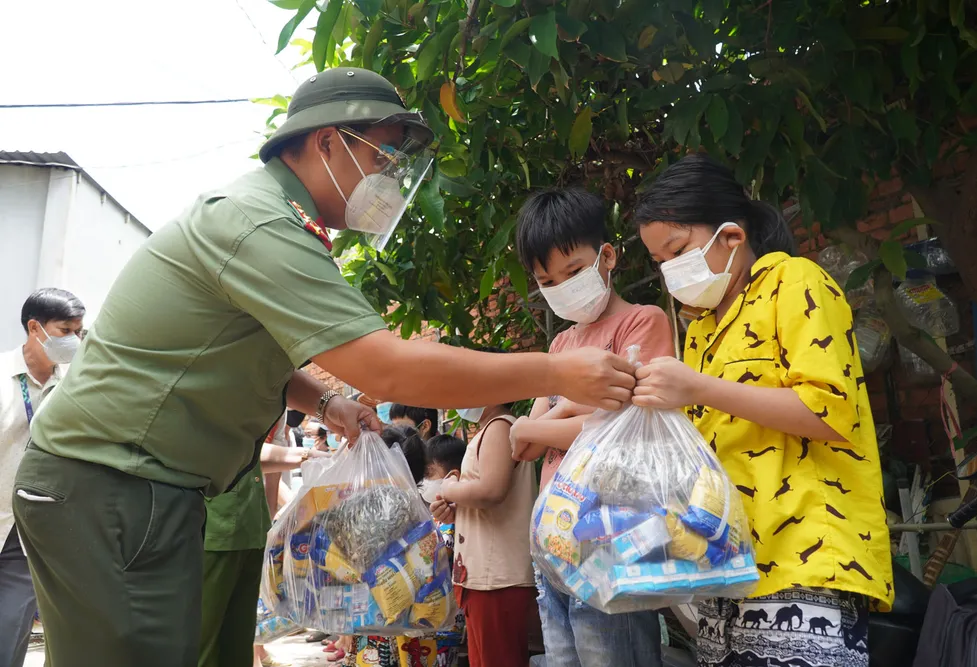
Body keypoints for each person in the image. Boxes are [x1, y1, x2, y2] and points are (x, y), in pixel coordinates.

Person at [11, 67, 635, 667]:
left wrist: (326, 404)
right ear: (329, 143)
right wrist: (553, 373)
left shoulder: (280, 224)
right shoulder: (256, 221)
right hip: (109, 480)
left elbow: (239, 354)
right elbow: (387, 367)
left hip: (143, 483)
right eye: (383, 157)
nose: (389, 179)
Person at [630, 154, 892, 667]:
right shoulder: (701, 325)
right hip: (725, 570)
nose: (668, 272)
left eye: (677, 251)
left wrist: (698, 387)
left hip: (805, 561)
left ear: (731, 236)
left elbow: (829, 412)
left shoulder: (795, 282)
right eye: (658, 262)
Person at [509, 188, 673, 667]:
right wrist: (574, 414)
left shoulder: (643, 322)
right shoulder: (560, 343)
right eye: (547, 280)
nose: (561, 286)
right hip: (553, 542)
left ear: (607, 255)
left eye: (573, 271)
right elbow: (521, 447)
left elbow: (624, 431)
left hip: (612, 538)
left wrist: (545, 420)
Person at [430, 362, 537, 667]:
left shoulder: (500, 426)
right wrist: (455, 512)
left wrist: (449, 487)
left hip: (497, 579)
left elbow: (491, 491)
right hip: (484, 577)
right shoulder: (490, 430)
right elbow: (486, 496)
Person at [199, 414, 327, 667]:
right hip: (217, 528)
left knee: (238, 636)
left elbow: (255, 460)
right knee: (206, 637)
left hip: (249, 526)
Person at [0, 289, 84, 667]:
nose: (74, 341)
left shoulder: (75, 385)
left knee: (9, 632)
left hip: (29, 529)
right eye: (66, 330)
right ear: (35, 328)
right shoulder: (3, 378)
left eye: (80, 332)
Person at [342, 425, 427, 666]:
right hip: (419, 623)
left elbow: (350, 569)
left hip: (374, 621)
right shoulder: (422, 508)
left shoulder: (366, 508)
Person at [419, 434, 468, 667]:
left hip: (447, 619)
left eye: (429, 474)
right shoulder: (436, 514)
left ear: (453, 476)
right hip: (426, 616)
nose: (424, 481)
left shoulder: (460, 516)